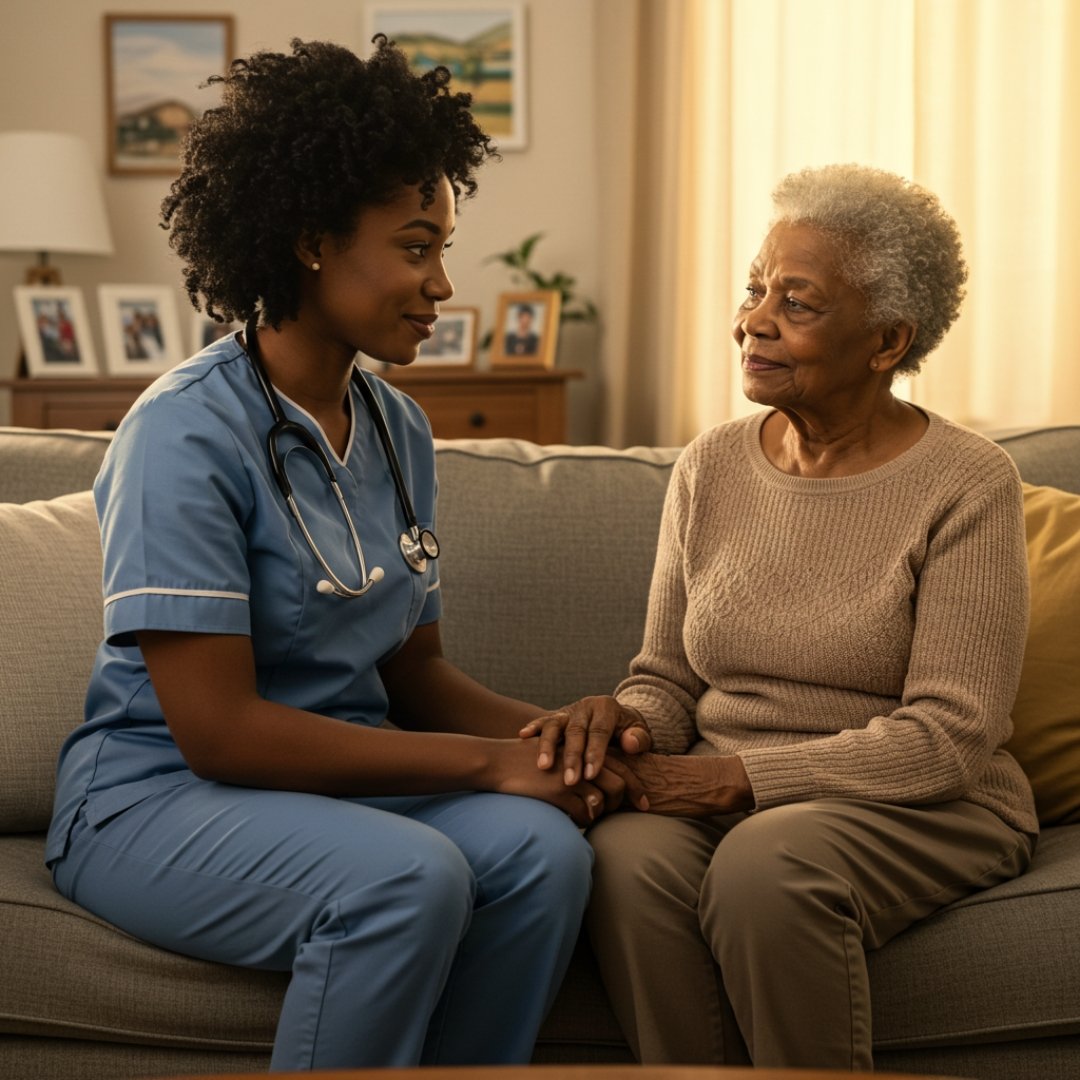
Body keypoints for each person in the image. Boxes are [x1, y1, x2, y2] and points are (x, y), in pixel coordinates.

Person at [45, 37, 627, 1072]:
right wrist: (491, 764)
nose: (442, 283)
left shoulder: (397, 428)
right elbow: (220, 733)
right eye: (416, 247)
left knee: (544, 853)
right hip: (158, 796)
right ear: (312, 242)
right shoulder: (183, 433)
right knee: (407, 879)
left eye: (444, 248)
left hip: (336, 790)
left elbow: (416, 675)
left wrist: (562, 739)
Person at [522, 163, 1038, 1070]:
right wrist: (625, 723)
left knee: (767, 867)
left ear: (887, 341)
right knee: (626, 859)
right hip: (732, 790)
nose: (754, 320)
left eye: (796, 303)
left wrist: (735, 781)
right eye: (754, 289)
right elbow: (668, 678)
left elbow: (951, 737)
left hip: (919, 801)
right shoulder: (711, 466)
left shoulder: (967, 482)